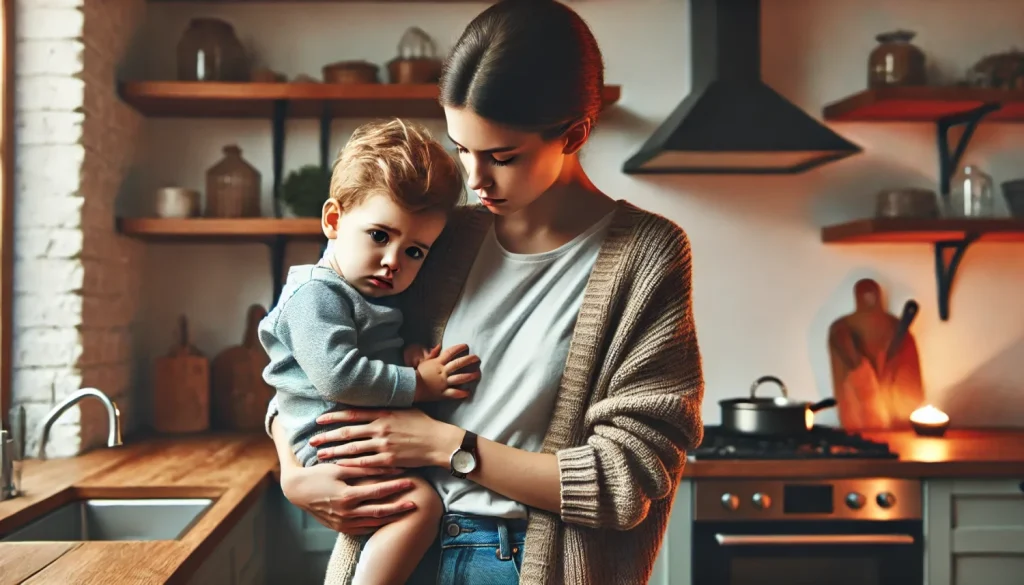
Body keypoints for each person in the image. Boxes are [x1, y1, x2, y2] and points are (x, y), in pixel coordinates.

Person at [266, 0, 705, 583]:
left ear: (574, 134)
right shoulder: (440, 237)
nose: (476, 181)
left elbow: (628, 480)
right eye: (462, 149)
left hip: (524, 561)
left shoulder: (645, 256)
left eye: (502, 156)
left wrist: (447, 445)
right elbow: (316, 365)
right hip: (400, 546)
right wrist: (292, 473)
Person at [258, 118, 482, 585]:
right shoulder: (314, 294)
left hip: (347, 437)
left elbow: (366, 355)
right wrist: (420, 384)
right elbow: (339, 376)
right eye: (380, 235)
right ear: (334, 220)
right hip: (326, 445)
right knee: (418, 505)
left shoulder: (369, 296)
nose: (393, 261)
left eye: (416, 251)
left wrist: (408, 355)